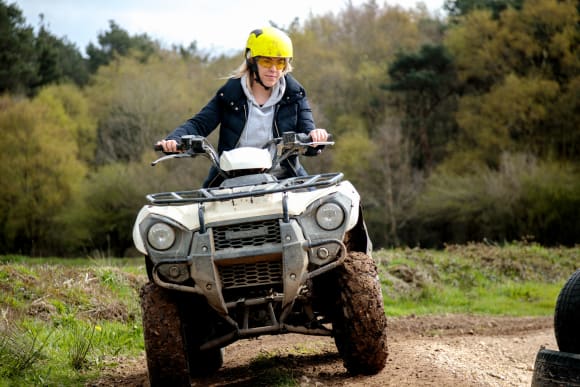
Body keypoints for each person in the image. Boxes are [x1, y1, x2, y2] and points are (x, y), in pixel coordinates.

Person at [157, 26, 329, 188]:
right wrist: (176, 139)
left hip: (284, 180)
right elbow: (198, 124)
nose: (274, 69)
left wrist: (315, 137)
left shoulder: (295, 96)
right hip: (232, 181)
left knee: (320, 209)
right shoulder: (229, 96)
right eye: (267, 61)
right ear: (251, 60)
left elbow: (309, 137)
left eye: (280, 63)